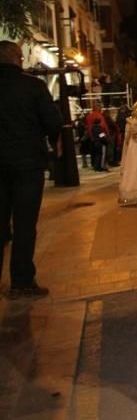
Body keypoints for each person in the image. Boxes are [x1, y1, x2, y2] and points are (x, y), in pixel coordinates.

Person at [0, 41, 61, 298]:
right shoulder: (33, 86)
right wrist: (53, 142)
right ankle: (22, 281)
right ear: (17, 58)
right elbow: (53, 120)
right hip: (28, 166)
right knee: (25, 225)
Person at [84, 101, 110, 171]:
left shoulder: (89, 116)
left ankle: (95, 165)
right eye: (100, 107)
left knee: (94, 153)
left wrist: (91, 136)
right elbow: (103, 127)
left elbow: (88, 127)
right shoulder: (99, 116)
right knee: (101, 153)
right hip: (100, 139)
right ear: (97, 108)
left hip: (92, 137)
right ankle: (101, 166)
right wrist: (107, 136)